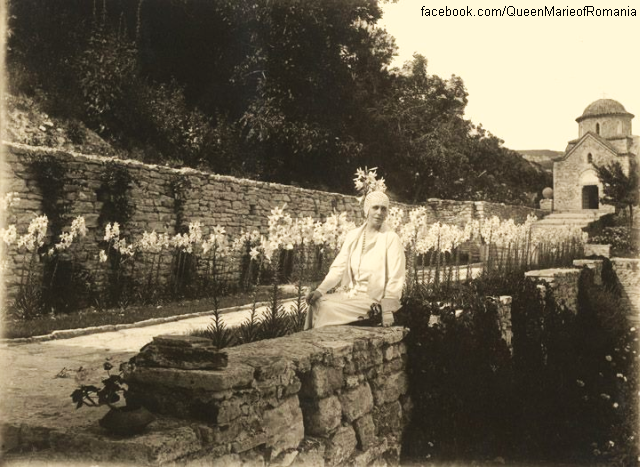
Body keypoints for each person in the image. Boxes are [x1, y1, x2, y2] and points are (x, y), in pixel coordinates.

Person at [304, 190, 406, 329]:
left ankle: (323, 347)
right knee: (317, 303)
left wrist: (387, 309)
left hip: (372, 299)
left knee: (327, 309)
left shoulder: (391, 239)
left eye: (383, 209)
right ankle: (312, 345)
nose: (379, 212)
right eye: (375, 207)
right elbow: (338, 268)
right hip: (349, 294)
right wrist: (320, 290)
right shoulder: (353, 236)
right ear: (367, 210)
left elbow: (396, 277)